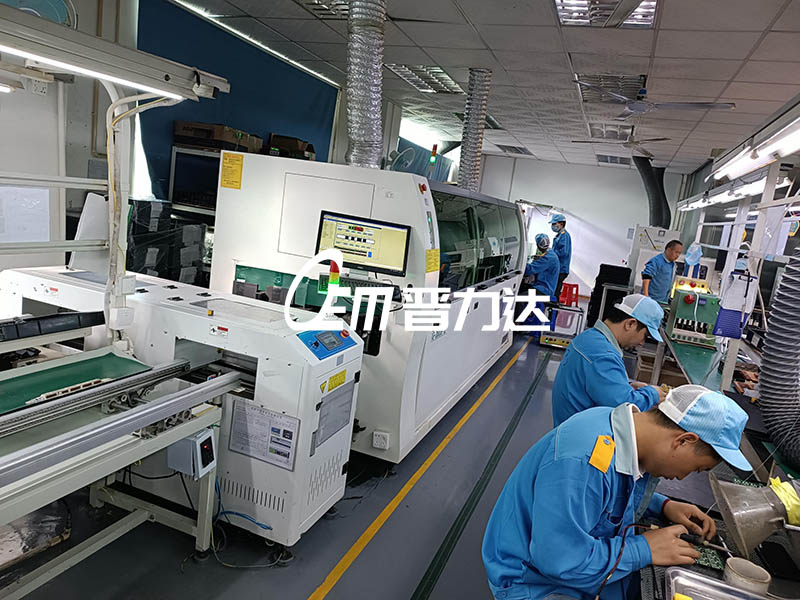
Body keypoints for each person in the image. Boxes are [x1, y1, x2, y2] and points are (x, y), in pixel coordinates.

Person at [482, 385, 752, 600]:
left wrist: (663, 505)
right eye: (696, 469)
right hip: (534, 582)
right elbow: (560, 561)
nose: (683, 477)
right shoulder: (585, 462)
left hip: (569, 564)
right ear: (683, 440)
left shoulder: (622, 428)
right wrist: (645, 548)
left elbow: (610, 492)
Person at [552, 293, 666, 428]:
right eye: (645, 336)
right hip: (583, 432)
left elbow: (597, 383)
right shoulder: (603, 355)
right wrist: (653, 394)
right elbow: (623, 406)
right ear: (630, 324)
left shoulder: (590, 337)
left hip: (569, 424)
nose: (642, 343)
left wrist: (628, 386)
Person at [525, 233, 560, 298]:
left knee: (520, 299)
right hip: (542, 285)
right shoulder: (550, 254)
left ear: (537, 245)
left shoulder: (548, 258)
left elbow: (530, 269)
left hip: (544, 289)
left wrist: (521, 265)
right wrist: (540, 258)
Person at [550, 214, 572, 299]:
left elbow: (564, 252)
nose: (552, 226)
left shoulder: (564, 235)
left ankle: (553, 305)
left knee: (555, 291)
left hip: (561, 268)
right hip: (559, 268)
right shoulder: (559, 235)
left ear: (561, 224)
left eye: (554, 224)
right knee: (555, 289)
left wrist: (551, 253)